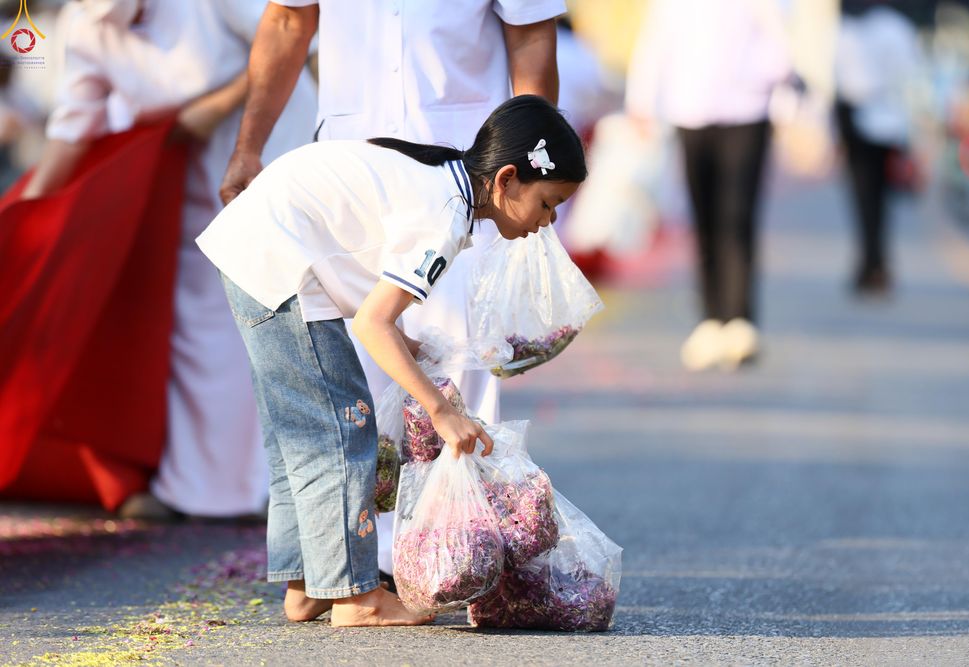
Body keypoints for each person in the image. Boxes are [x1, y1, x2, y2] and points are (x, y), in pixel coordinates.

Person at [196, 95, 586, 626]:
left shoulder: (444, 180)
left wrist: (413, 348)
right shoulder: (444, 217)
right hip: (276, 258)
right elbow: (371, 324)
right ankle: (355, 599)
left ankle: (308, 584)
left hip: (262, 248)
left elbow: (371, 284)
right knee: (340, 425)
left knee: (301, 432)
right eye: (547, 202)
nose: (548, 221)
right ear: (508, 179)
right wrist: (442, 411)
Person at [217, 0, 563, 577]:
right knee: (348, 402)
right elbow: (285, 20)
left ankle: (448, 552)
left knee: (456, 368)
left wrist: (534, 166)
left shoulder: (473, 203)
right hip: (348, 184)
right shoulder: (439, 213)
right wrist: (248, 145)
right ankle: (354, 575)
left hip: (469, 151)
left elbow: (531, 37)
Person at [21, 0, 317, 519]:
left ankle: (280, 483)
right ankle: (207, 484)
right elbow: (72, 127)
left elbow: (291, 42)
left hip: (266, 142)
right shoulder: (85, 28)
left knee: (285, 307)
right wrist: (25, 217)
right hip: (181, 175)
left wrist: (219, 105)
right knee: (199, 324)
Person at [626, 0, 791, 371]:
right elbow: (655, 41)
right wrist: (641, 101)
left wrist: (782, 96)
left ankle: (740, 318)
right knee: (703, 218)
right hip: (691, 109)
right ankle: (711, 319)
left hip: (749, 110)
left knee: (739, 214)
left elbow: (779, 40)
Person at [835, 1, 922, 295]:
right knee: (872, 200)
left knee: (867, 199)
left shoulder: (860, 28)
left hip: (874, 122)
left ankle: (874, 263)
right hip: (874, 122)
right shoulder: (882, 28)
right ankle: (874, 262)